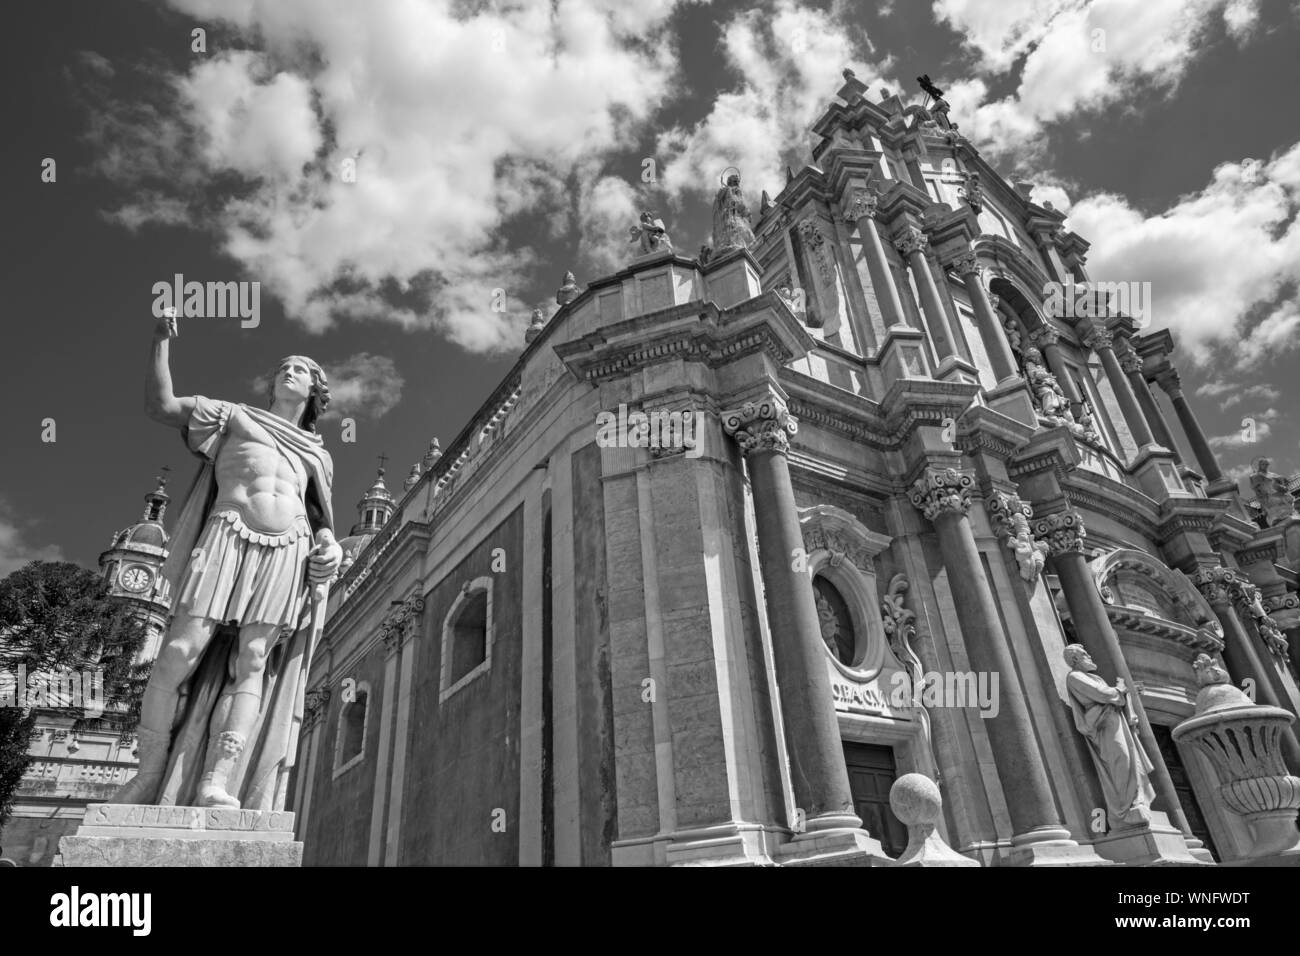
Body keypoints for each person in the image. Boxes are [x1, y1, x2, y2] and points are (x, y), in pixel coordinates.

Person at [112, 315, 342, 809]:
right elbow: (162, 406)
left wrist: (331, 545)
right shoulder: (234, 416)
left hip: (288, 548)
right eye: (283, 366)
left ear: (315, 390)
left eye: (300, 368)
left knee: (254, 661)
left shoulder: (318, 455)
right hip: (227, 533)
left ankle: (219, 778)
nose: (289, 371)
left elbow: (321, 516)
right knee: (179, 650)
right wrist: (159, 342)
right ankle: (147, 772)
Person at [1063, 644, 1155, 828]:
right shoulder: (1075, 677)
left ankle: (1137, 801)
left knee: (1131, 760)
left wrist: (1123, 692)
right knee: (1121, 759)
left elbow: (1108, 696)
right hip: (1103, 724)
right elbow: (1102, 694)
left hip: (1112, 718)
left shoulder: (1091, 676)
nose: (1089, 655)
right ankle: (1126, 807)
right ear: (1074, 660)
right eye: (1084, 654)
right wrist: (1121, 689)